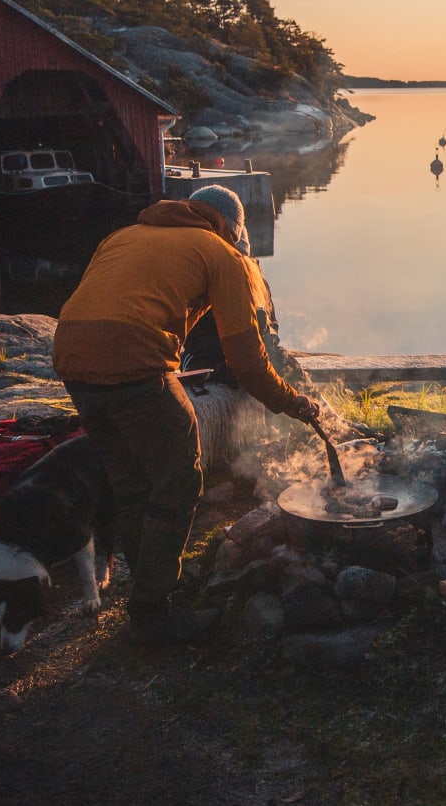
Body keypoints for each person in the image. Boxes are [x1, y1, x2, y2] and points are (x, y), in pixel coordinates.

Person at [53, 194, 322, 644]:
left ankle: (150, 585)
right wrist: (291, 401)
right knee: (179, 478)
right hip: (136, 364)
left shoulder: (124, 236)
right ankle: (154, 612)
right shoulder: (222, 254)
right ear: (233, 229)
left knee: (131, 481)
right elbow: (247, 361)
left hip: (71, 360)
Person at [177, 185, 311, 394]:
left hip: (250, 357)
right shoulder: (194, 268)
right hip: (206, 362)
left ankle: (330, 417)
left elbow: (269, 333)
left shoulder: (247, 268)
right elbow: (195, 340)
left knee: (280, 360)